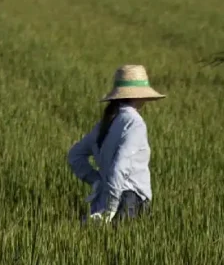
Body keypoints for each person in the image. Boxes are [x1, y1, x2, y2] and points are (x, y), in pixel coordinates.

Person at [67, 65, 165, 224]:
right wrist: (112, 206)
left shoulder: (107, 121)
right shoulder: (134, 123)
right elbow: (120, 166)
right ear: (140, 95)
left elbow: (74, 155)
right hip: (129, 201)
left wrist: (97, 181)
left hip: (105, 197)